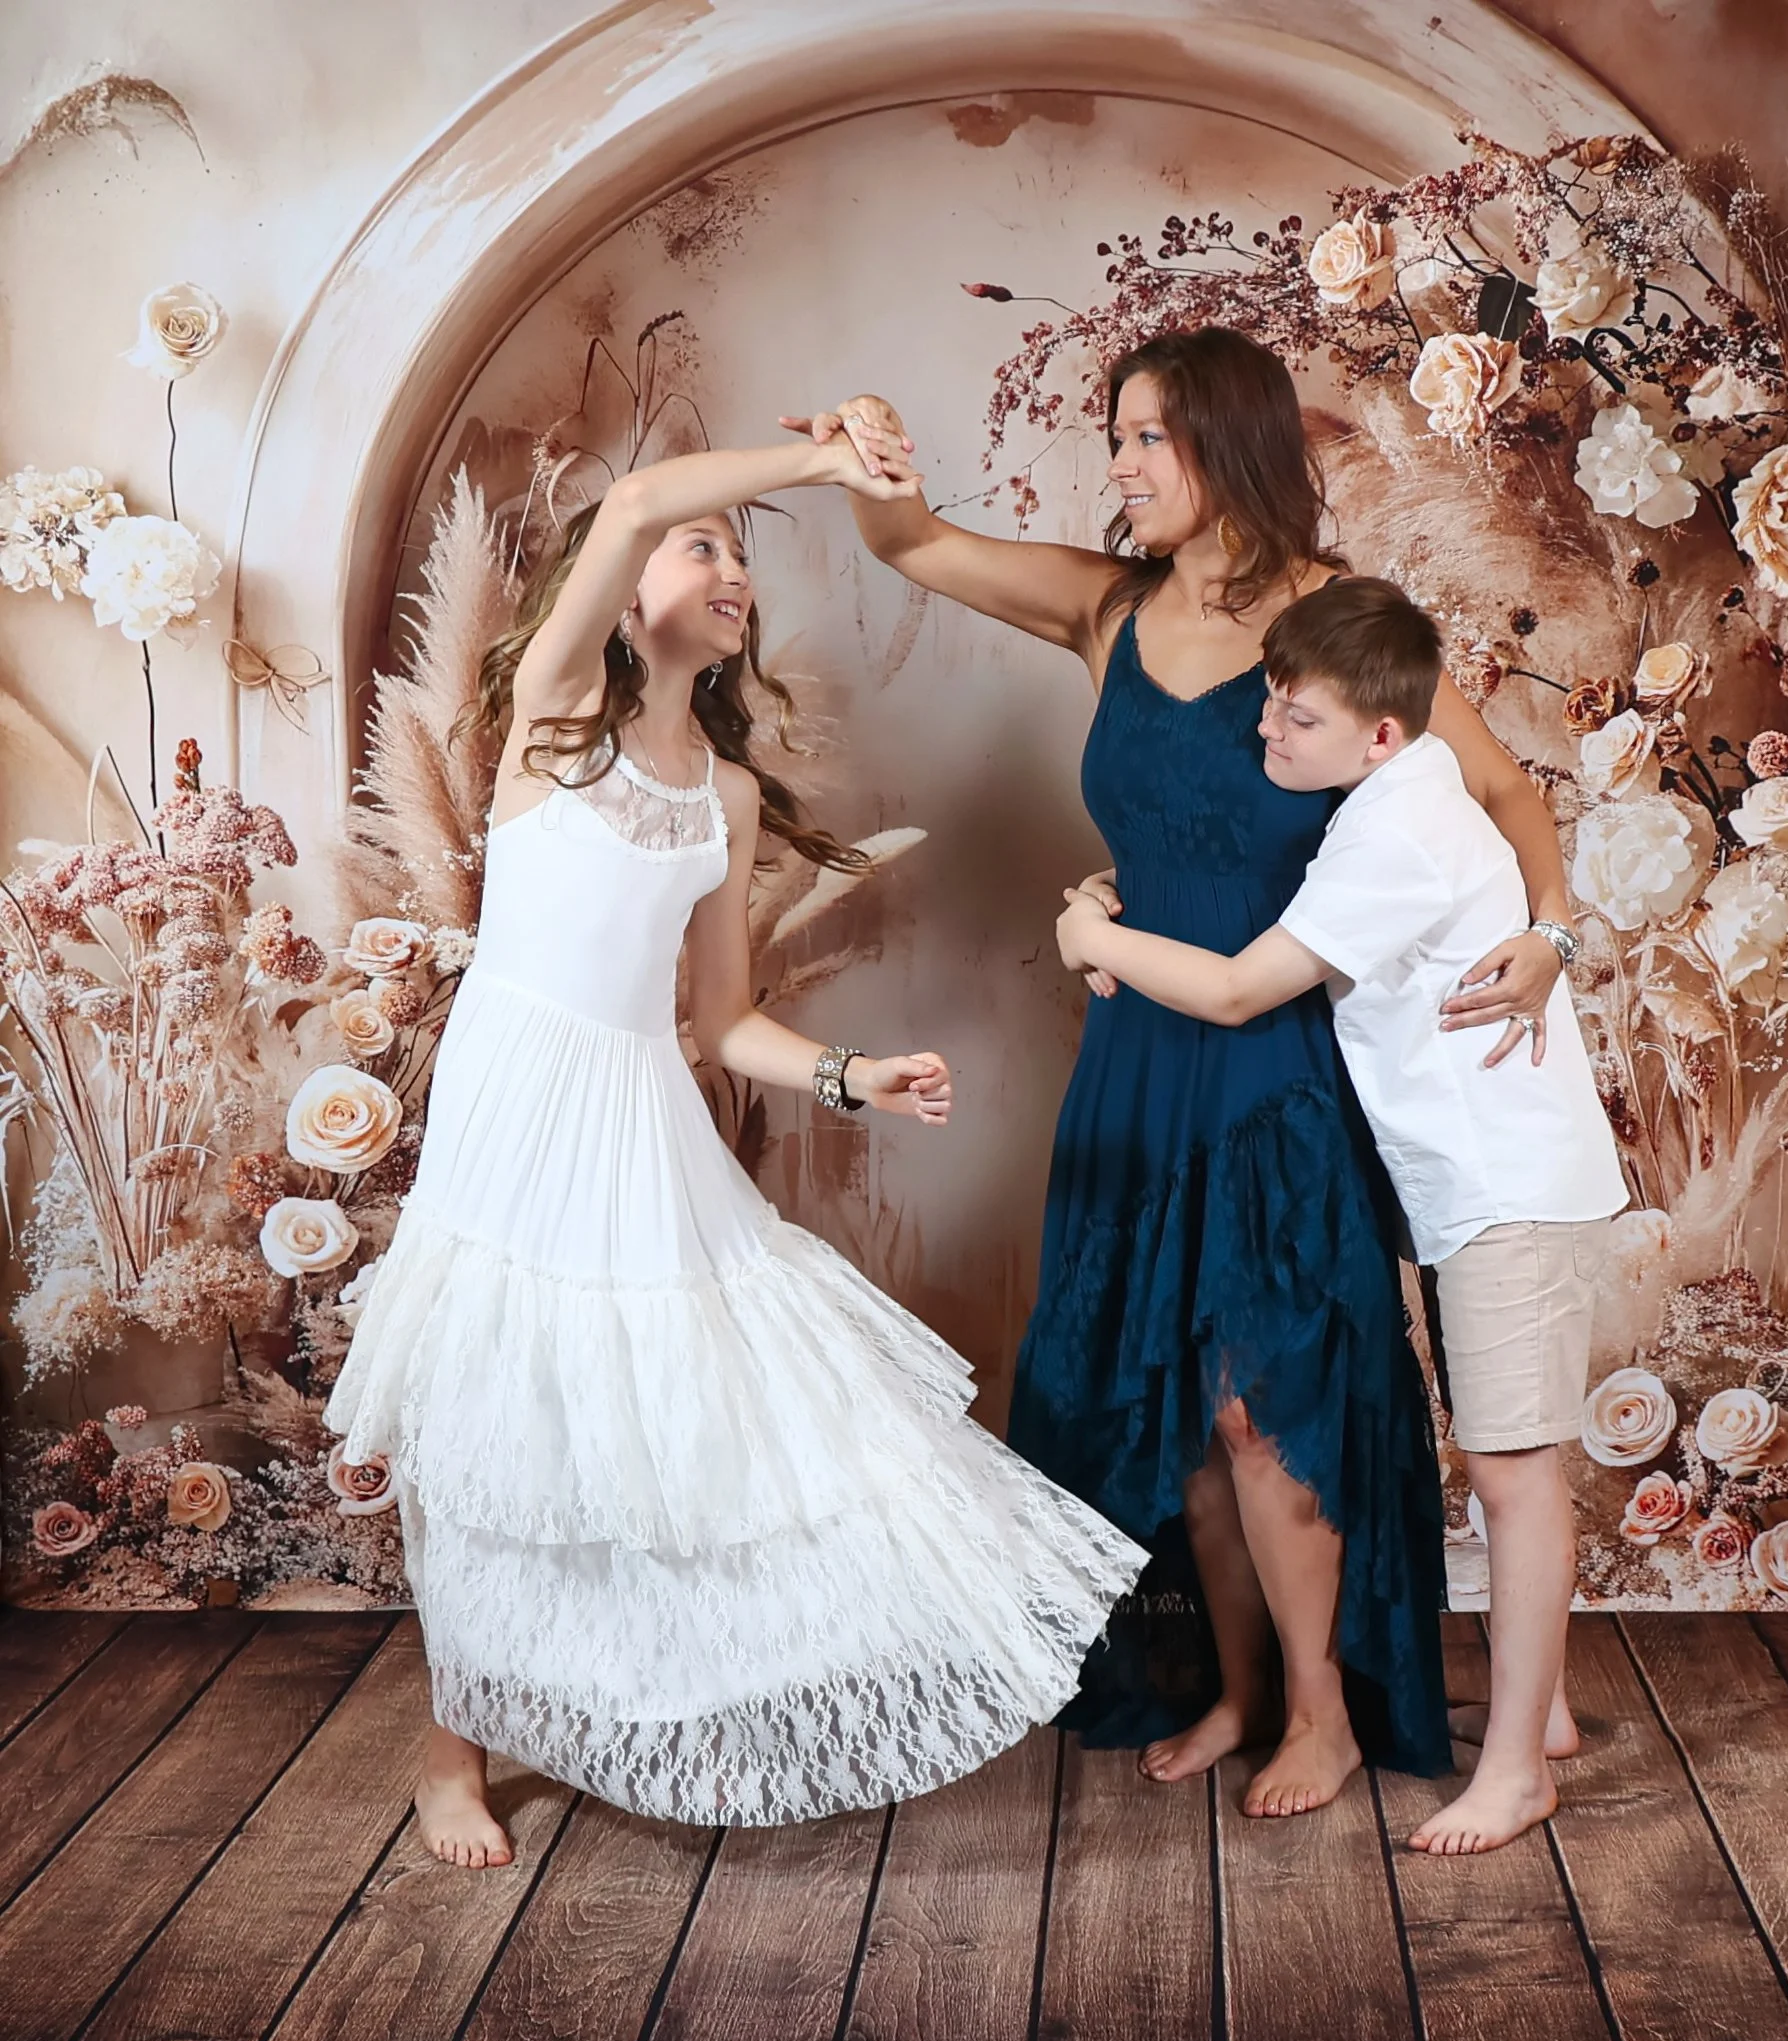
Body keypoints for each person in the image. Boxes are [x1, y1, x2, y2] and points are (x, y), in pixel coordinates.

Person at [324, 435, 1147, 1867]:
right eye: (706, 551)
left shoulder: (722, 791)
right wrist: (822, 452)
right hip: (516, 1101)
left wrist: (850, 1074)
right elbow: (636, 490)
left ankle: (630, 1688)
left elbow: (722, 1017)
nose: (734, 577)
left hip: (636, 1109)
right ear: (620, 581)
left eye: (742, 557)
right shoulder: (552, 717)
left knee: (674, 1410)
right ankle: (445, 1753)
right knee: (487, 1422)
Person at [789, 327, 1576, 1817]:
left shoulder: (1335, 624)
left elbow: (1504, 790)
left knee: (1256, 1404)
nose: (1120, 467)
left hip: (1276, 1061)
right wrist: (869, 446)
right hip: (1137, 1062)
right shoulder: (1104, 608)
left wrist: (1545, 935)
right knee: (1174, 1406)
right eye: (1116, 437)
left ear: (1226, 445)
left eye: (1147, 437)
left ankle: (1326, 1716)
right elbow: (914, 544)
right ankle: (1236, 1686)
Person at [1057, 576, 1626, 1853]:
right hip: (1458, 1180)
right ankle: (1544, 1720)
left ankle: (1520, 1775)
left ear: (1380, 733)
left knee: (1513, 1471)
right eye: (1268, 704)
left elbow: (1238, 992)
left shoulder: (1394, 837)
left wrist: (1082, 926)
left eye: (1295, 721)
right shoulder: (1390, 794)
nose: (1267, 736)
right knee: (1500, 1457)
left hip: (1501, 1182)